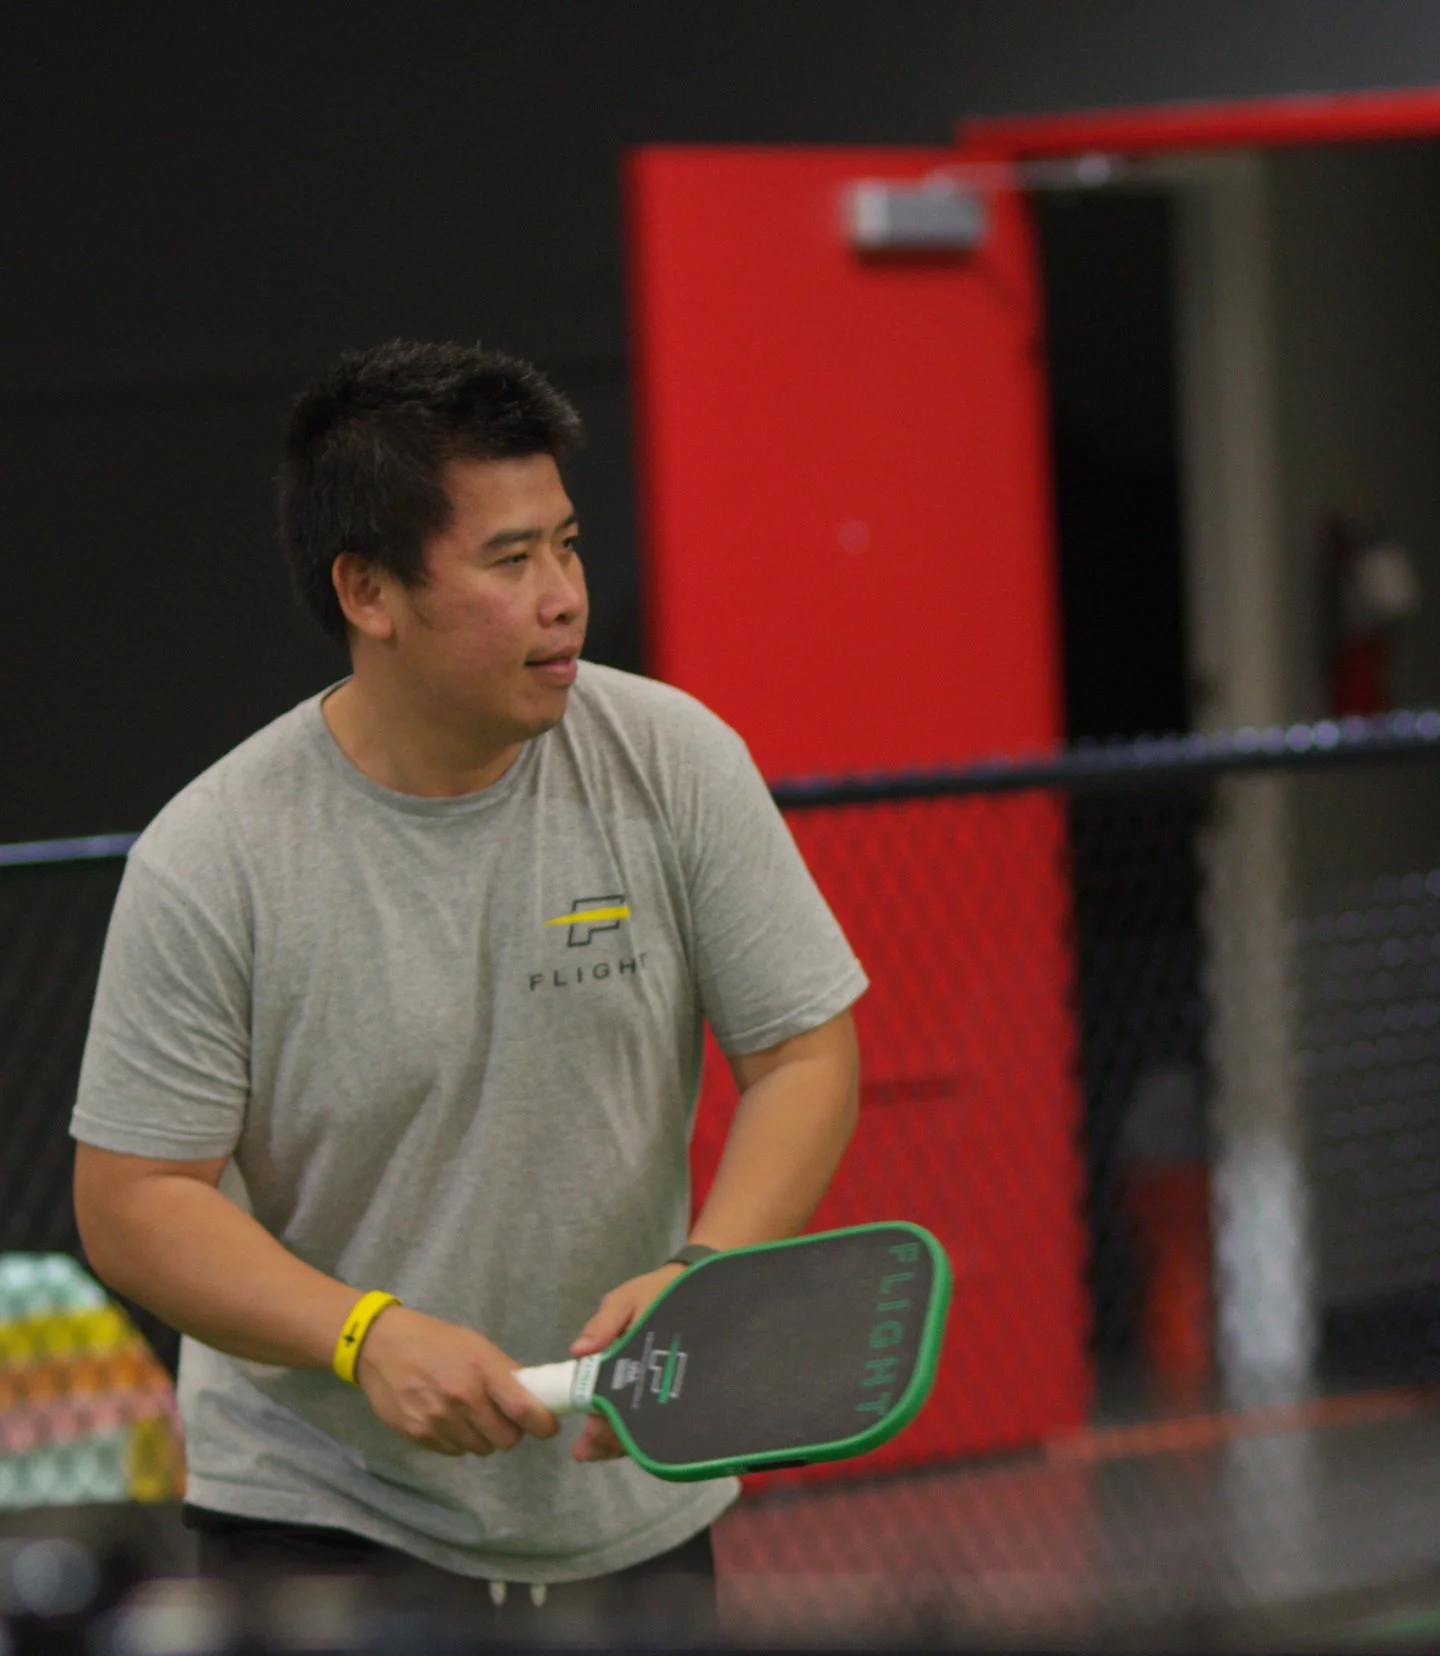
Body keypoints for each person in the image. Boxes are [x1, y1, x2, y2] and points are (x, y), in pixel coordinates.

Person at [70, 341, 867, 1626]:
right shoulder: (213, 855)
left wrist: (702, 1270)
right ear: (369, 593)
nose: (563, 597)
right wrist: (364, 1334)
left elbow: (805, 1057)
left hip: (627, 1497)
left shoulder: (675, 762)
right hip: (319, 1515)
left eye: (568, 546)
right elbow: (135, 1200)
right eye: (510, 560)